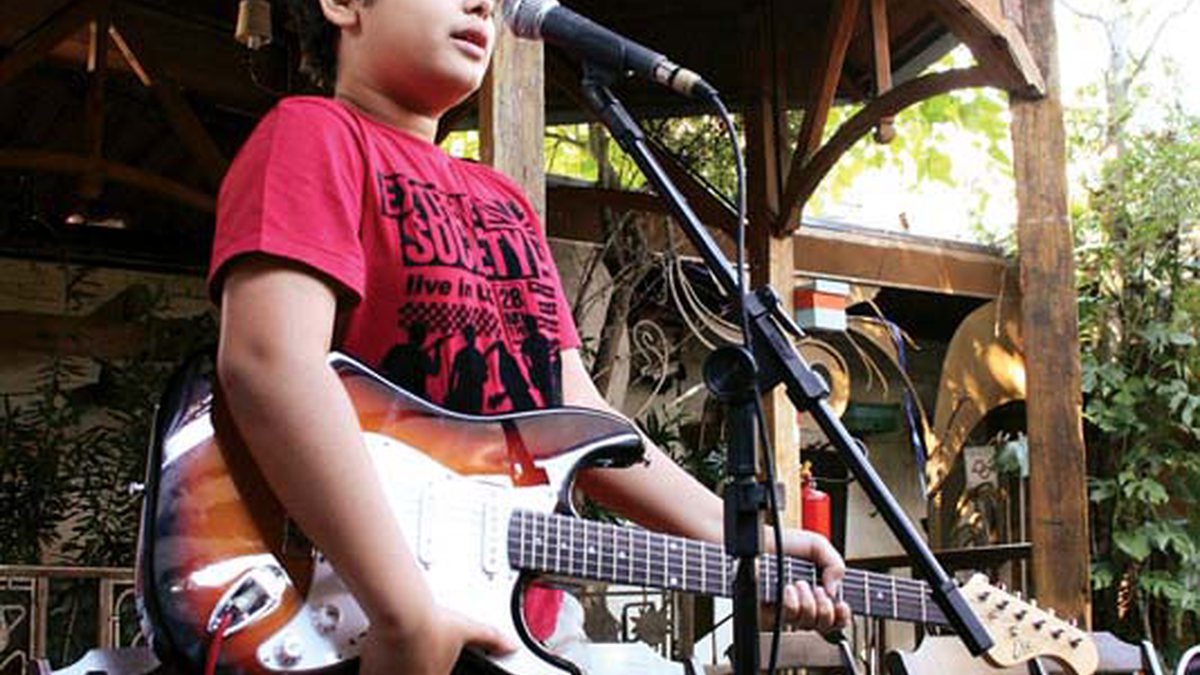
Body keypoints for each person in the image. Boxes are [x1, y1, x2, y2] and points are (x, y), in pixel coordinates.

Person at [208, 0, 851, 673]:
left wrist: (742, 537)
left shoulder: (503, 201)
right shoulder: (313, 135)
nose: (483, 3)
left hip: (526, 628)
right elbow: (268, 359)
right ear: (343, 4)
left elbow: (580, 422)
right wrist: (405, 611)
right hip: (361, 622)